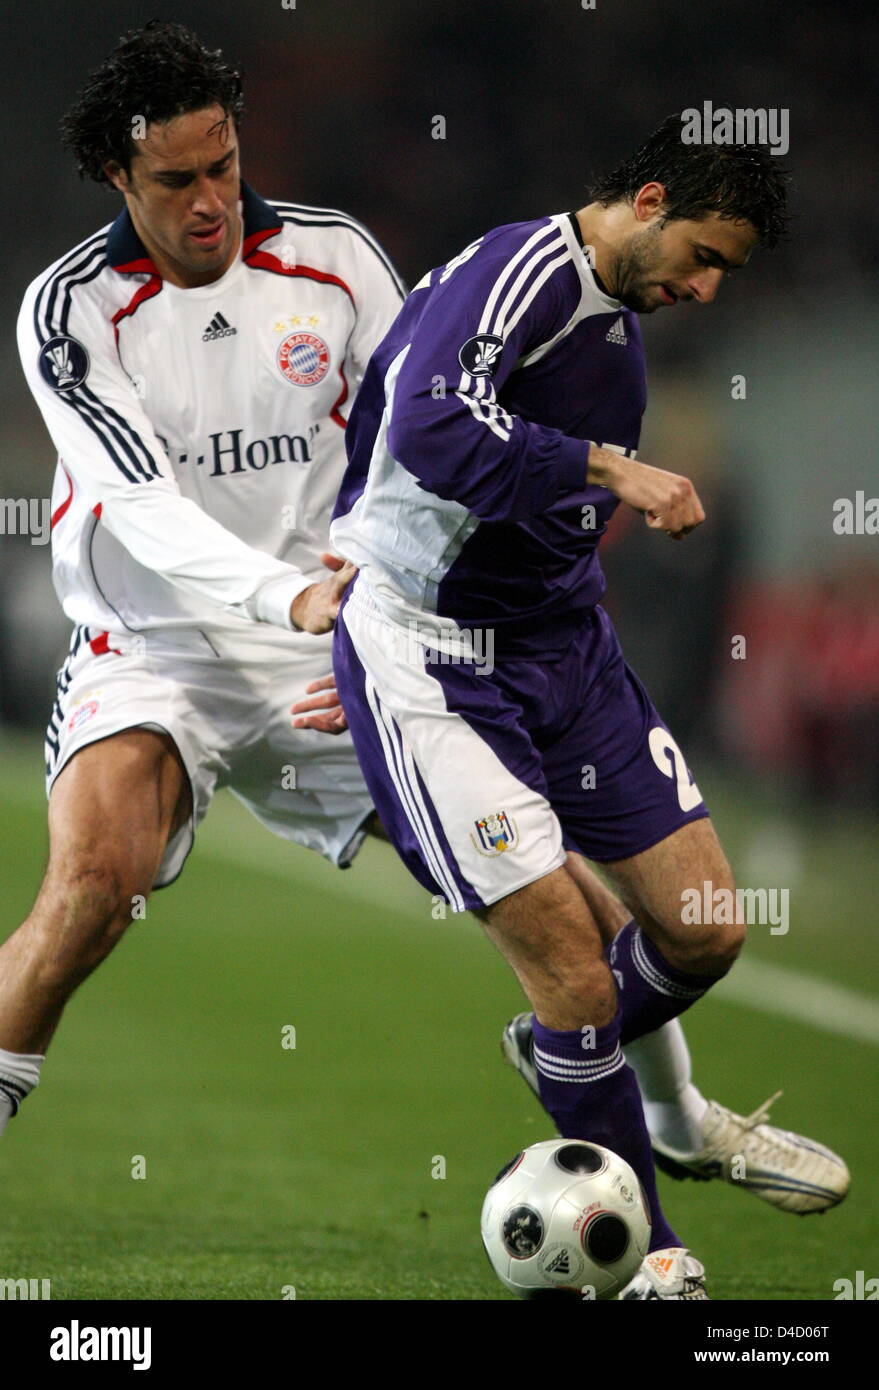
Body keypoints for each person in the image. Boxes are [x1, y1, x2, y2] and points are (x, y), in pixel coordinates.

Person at [328, 115, 849, 1299]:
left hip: (568, 645)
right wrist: (612, 468)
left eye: (727, 273)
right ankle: (656, 1250)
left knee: (707, 926)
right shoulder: (520, 271)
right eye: (704, 256)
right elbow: (429, 423)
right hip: (435, 663)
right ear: (650, 198)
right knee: (576, 973)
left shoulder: (620, 312)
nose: (707, 289)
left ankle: (616, 1083)